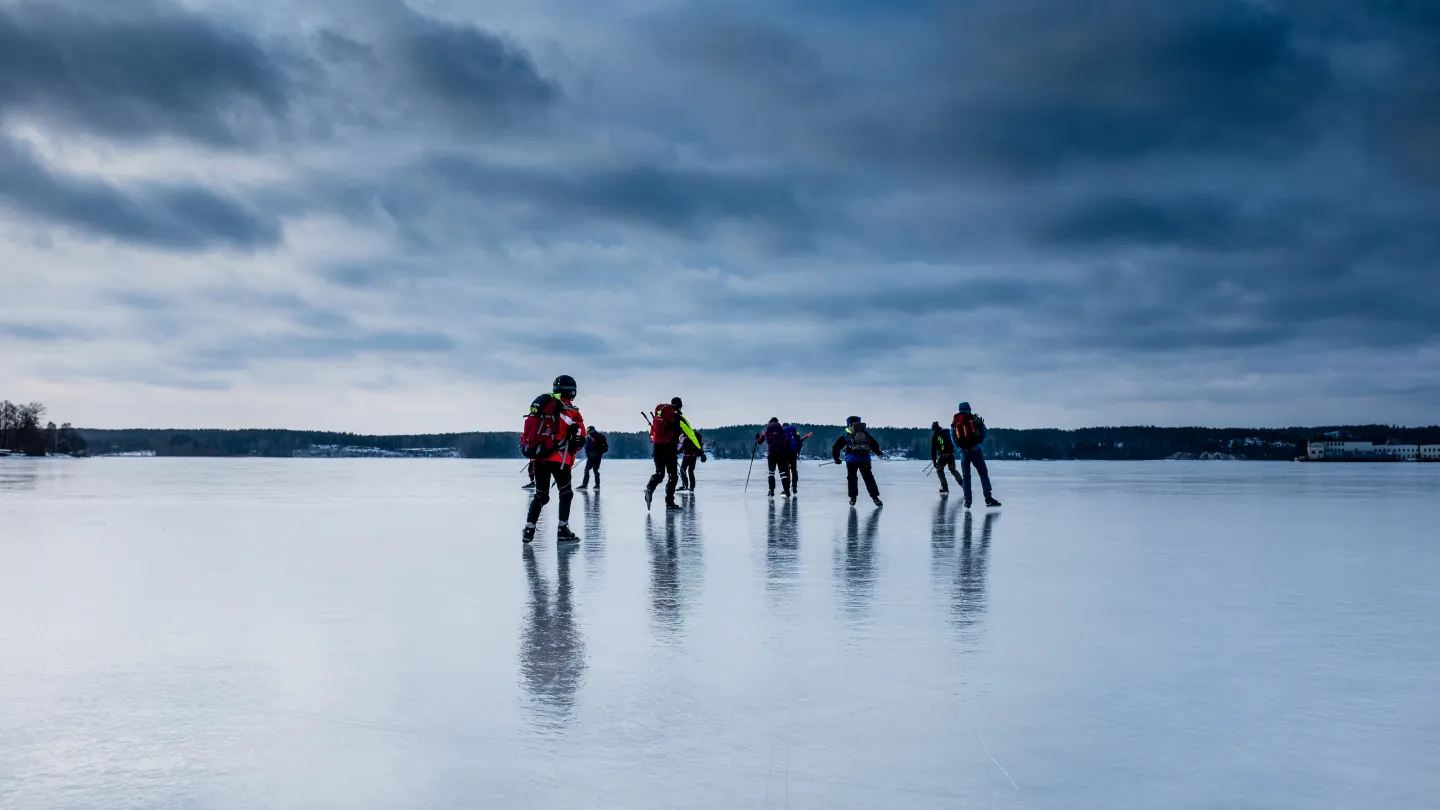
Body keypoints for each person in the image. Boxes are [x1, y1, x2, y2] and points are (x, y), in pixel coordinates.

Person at [519, 375, 587, 543]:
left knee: (541, 495)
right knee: (566, 493)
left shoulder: (542, 409)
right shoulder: (571, 411)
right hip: (560, 459)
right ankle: (563, 530)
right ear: (572, 392)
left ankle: (529, 529)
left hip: (538, 458)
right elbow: (580, 437)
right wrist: (572, 451)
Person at [646, 397, 699, 510]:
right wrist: (699, 449)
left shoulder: (658, 417)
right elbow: (691, 434)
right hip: (670, 449)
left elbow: (652, 433)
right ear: (679, 406)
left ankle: (650, 487)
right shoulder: (678, 419)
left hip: (657, 448)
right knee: (673, 476)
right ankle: (669, 502)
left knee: (660, 474)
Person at [952, 402, 1001, 509]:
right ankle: (988, 498)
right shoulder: (974, 419)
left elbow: (953, 437)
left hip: (963, 453)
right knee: (983, 473)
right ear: (969, 408)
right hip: (976, 451)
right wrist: (979, 443)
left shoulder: (955, 421)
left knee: (966, 476)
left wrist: (959, 448)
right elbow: (985, 431)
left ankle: (967, 500)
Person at [831, 415, 883, 507]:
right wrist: (878, 452)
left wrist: (837, 459)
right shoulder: (865, 433)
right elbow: (874, 444)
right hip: (865, 459)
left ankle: (853, 498)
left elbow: (835, 447)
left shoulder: (847, 434)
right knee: (868, 478)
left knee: (852, 478)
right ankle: (875, 498)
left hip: (851, 460)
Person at [754, 417, 791, 497]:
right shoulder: (781, 430)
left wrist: (757, 438)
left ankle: (771, 491)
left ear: (770, 422)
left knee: (771, 473)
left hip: (771, 454)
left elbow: (759, 442)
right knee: (783, 473)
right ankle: (787, 490)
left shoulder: (768, 430)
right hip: (781, 454)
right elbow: (786, 439)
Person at [930, 421, 963, 494]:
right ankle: (962, 484)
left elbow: (933, 450)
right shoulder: (946, 432)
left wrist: (934, 461)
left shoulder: (935, 435)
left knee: (939, 470)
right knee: (953, 470)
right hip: (951, 454)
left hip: (942, 456)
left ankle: (944, 487)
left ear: (933, 428)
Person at [782, 423, 806, 494]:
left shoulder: (783, 432)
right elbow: (799, 444)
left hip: (786, 453)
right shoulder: (795, 433)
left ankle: (787, 489)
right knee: (794, 470)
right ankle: (794, 487)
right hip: (794, 453)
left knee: (786, 471)